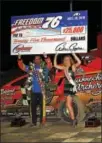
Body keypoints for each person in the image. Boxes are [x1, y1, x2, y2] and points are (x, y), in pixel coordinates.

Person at [17, 54, 50, 126]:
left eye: (38, 59)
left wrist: (46, 57)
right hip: (33, 91)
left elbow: (50, 64)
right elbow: (22, 66)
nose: (37, 60)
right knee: (33, 108)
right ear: (34, 61)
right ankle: (34, 122)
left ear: (41, 60)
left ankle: (42, 122)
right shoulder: (31, 68)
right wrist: (19, 58)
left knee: (42, 108)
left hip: (42, 91)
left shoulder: (44, 68)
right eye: (36, 59)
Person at [54, 53, 81, 127]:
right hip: (66, 87)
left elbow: (79, 62)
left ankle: (73, 120)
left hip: (70, 86)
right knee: (68, 104)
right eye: (65, 59)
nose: (66, 61)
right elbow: (55, 65)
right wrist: (56, 55)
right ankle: (73, 120)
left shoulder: (73, 66)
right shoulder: (64, 68)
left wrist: (73, 53)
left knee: (68, 104)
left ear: (70, 60)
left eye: (67, 59)